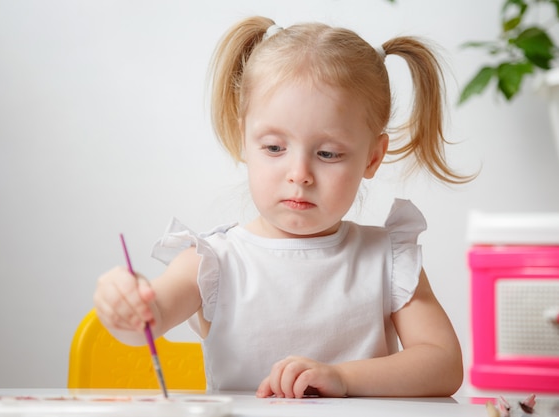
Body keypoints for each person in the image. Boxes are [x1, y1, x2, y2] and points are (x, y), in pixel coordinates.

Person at [94, 16, 470, 398]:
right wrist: (126, 302)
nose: (300, 174)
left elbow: (443, 364)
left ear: (373, 158)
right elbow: (148, 319)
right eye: (274, 148)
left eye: (328, 153)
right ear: (244, 139)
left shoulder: (387, 260)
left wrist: (342, 379)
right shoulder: (212, 262)